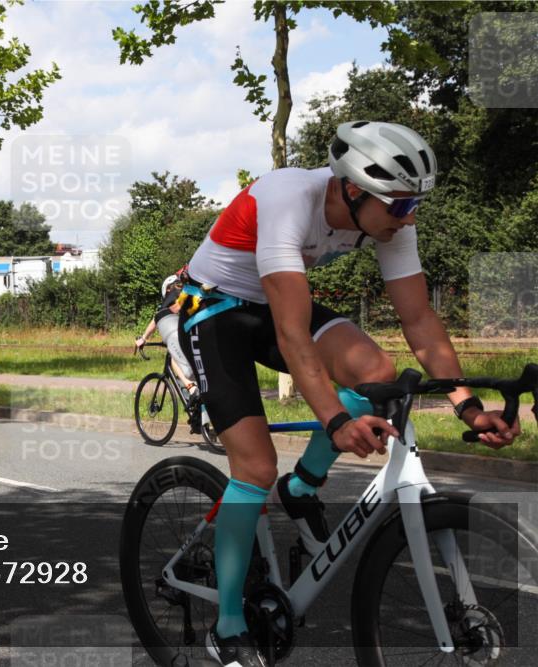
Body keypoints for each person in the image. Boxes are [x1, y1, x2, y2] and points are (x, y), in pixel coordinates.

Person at [175, 121, 521, 667]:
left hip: (272, 307)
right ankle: (229, 626)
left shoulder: (388, 219)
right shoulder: (289, 197)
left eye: (415, 207)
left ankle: (304, 487)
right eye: (403, 206)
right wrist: (335, 420)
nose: (410, 218)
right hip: (213, 310)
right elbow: (292, 336)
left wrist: (468, 406)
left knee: (378, 374)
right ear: (355, 189)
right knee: (255, 467)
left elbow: (419, 319)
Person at [136, 275, 204, 430]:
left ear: (167, 288)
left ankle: (191, 389)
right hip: (197, 333)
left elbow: (156, 319)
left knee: (176, 359)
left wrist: (144, 339)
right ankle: (200, 416)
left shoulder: (172, 294)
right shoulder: (188, 292)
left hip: (179, 334)